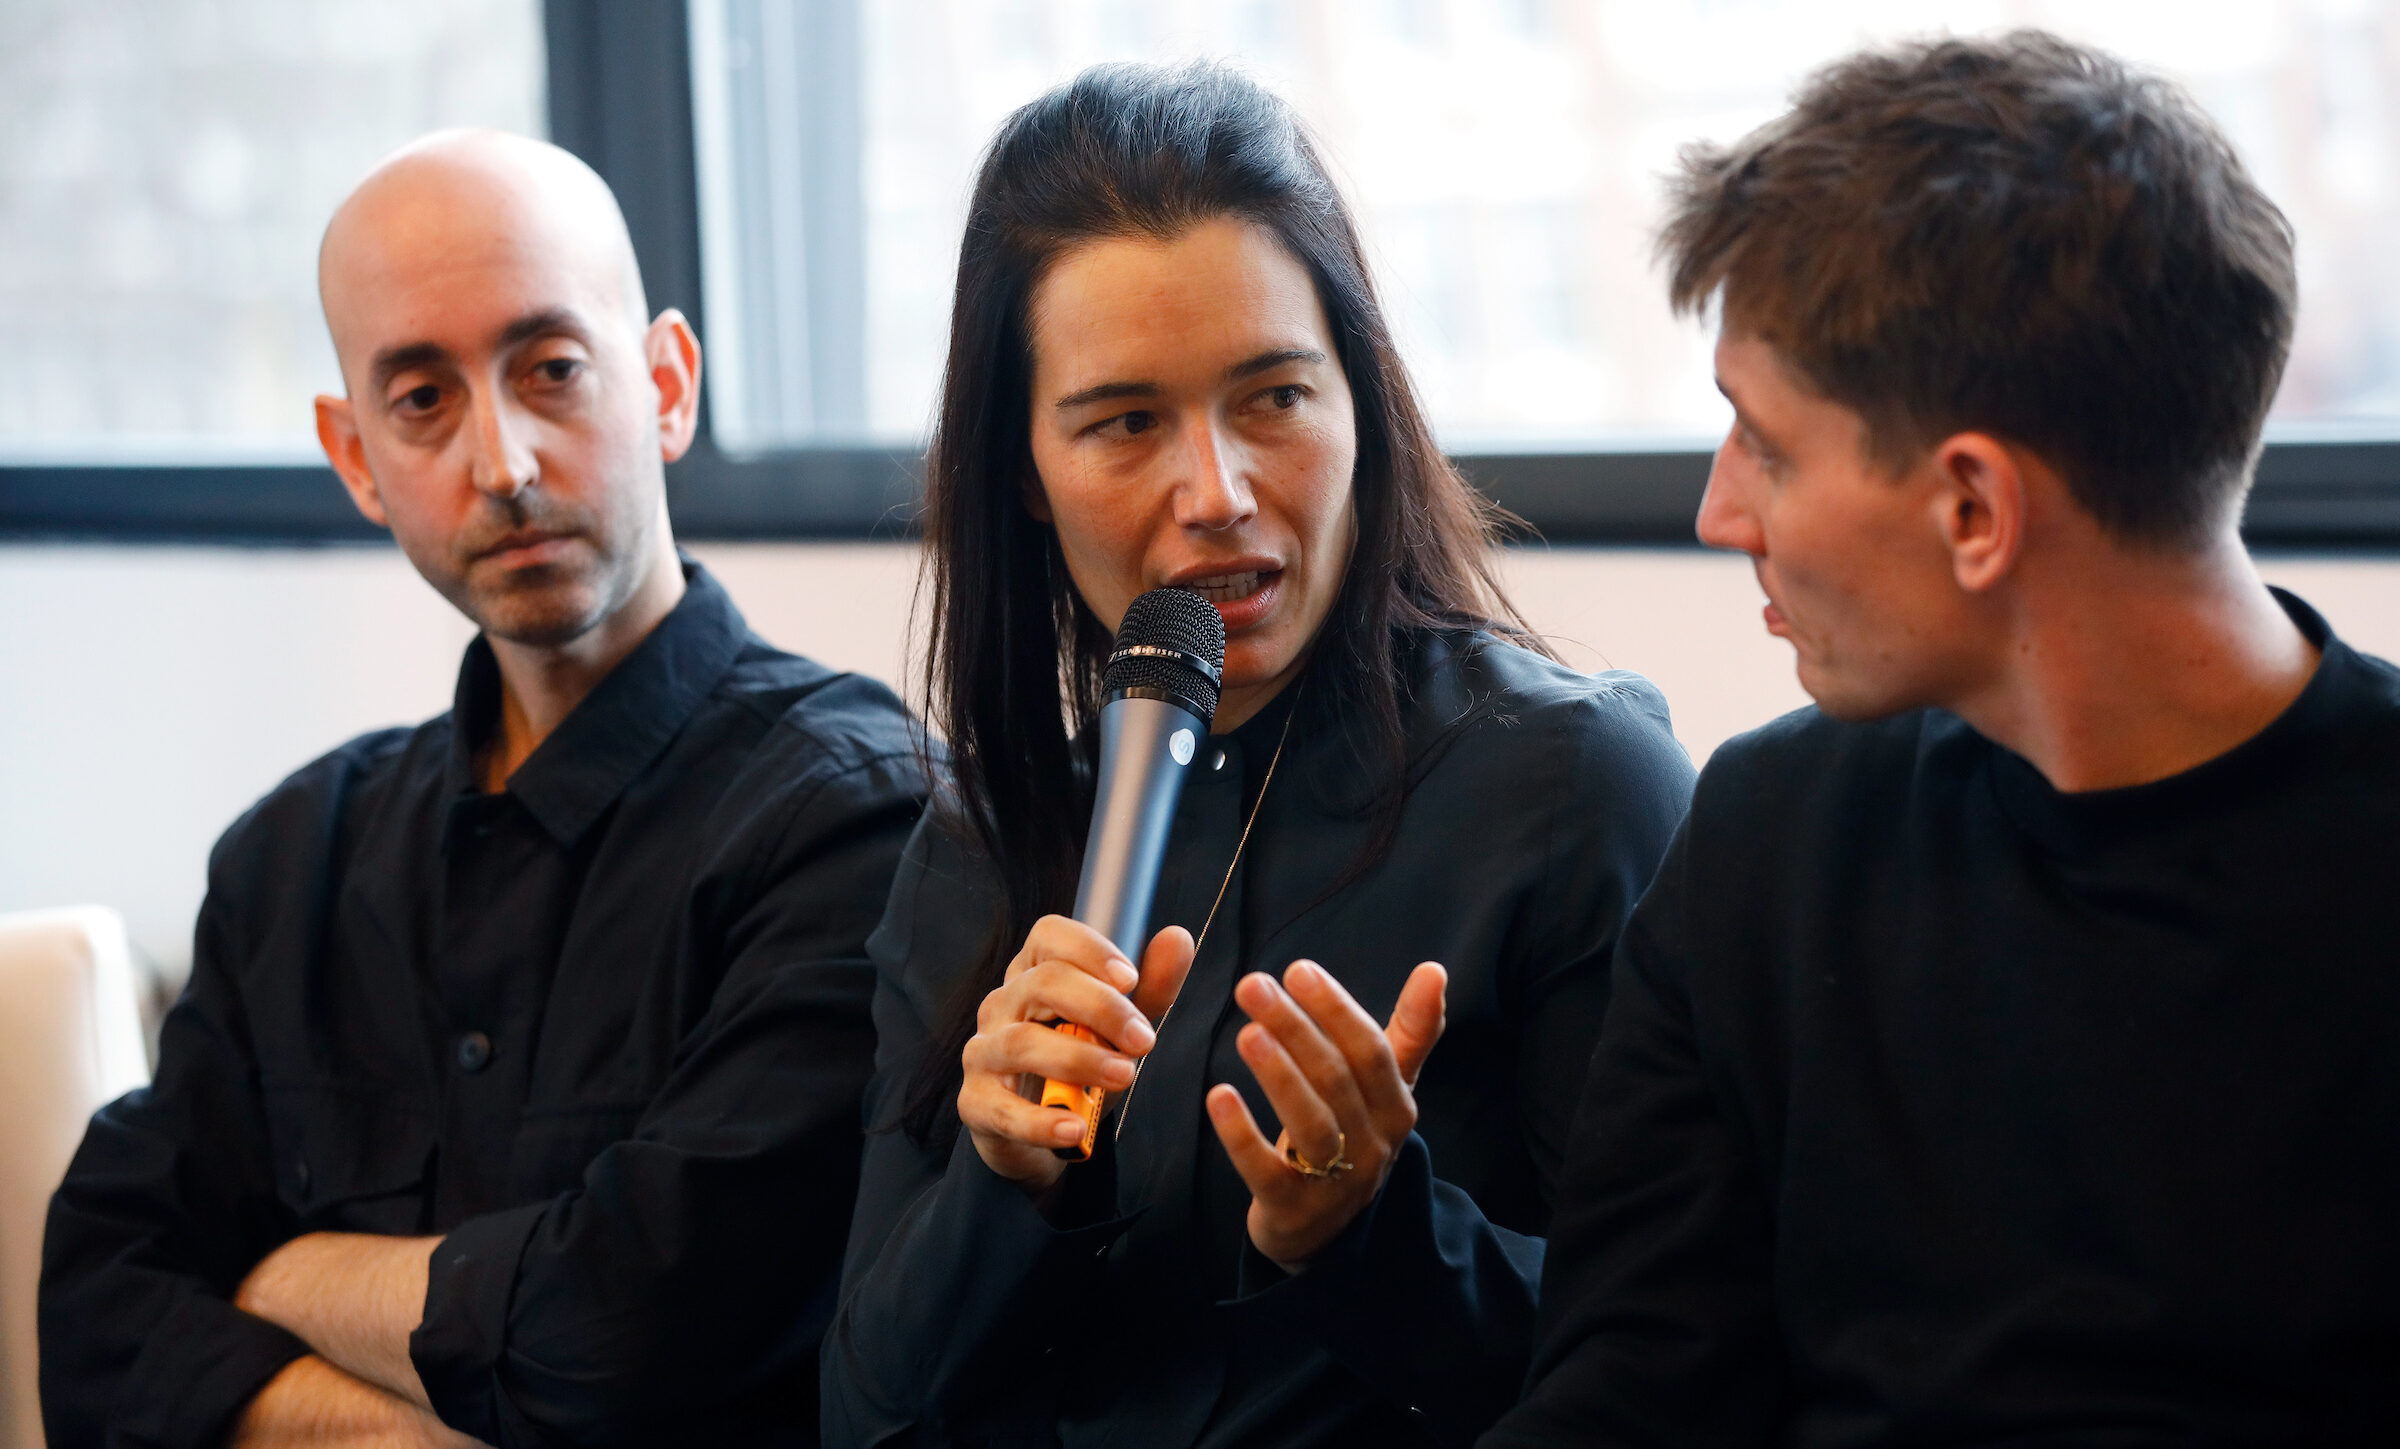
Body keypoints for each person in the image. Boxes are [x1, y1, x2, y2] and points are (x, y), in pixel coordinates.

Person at [1486, 30, 2400, 1448]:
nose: (1721, 514)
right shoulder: (1766, 844)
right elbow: (1627, 1400)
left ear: (1973, 509)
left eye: (1766, 445)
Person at [820, 62, 1694, 1449]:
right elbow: (863, 1413)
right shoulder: (982, 840)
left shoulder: (1570, 785)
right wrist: (1001, 1181)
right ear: (1023, 473)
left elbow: (1679, 1370)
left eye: (1275, 397)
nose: (1218, 493)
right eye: (1126, 423)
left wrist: (1371, 1232)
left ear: (1361, 403)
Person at [39, 131, 927, 1449]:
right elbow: (96, 1317)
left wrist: (282, 1277)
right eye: (422, 400)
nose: (502, 461)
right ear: (356, 456)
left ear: (667, 384)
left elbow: (627, 1332)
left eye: (551, 369)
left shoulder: (859, 815)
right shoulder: (293, 856)